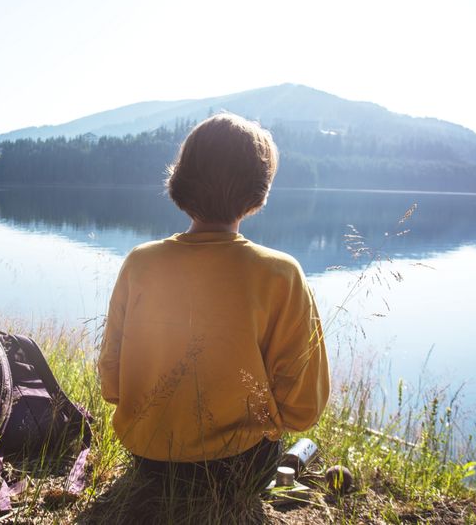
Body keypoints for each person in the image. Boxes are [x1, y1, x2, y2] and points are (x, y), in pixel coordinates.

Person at [97, 113, 329, 494]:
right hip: (238, 466)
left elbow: (112, 384)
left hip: (147, 457)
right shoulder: (281, 274)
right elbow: (303, 407)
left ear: (181, 180)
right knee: (301, 448)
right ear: (259, 190)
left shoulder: (140, 262)